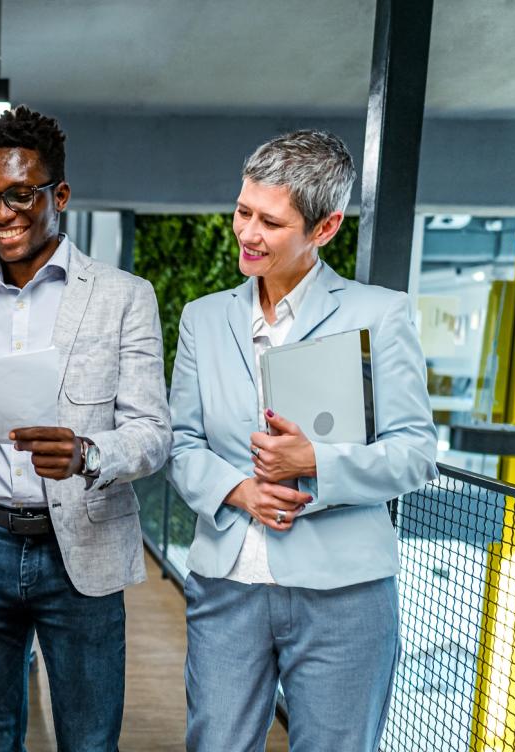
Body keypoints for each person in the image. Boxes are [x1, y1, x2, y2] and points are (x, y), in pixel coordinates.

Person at [167, 130, 438, 752]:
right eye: (242, 212)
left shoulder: (381, 314)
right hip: (227, 583)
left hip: (345, 594)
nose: (247, 233)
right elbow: (182, 443)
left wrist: (316, 462)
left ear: (325, 228)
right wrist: (238, 490)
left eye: (270, 221)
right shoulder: (203, 318)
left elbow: (416, 452)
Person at [0, 106, 171, 751]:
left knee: (88, 741)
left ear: (58, 195)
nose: (3, 214)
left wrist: (87, 451)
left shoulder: (124, 296)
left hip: (81, 546)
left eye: (20, 195)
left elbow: (151, 433)